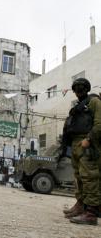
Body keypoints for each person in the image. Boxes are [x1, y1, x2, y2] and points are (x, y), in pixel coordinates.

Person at [62, 78, 101, 225]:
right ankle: (81, 205)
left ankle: (91, 213)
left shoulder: (95, 102)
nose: (78, 90)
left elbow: (99, 124)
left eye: (81, 87)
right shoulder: (78, 106)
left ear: (87, 88)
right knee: (79, 177)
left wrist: (89, 139)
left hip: (88, 144)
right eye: (76, 88)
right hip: (76, 144)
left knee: (89, 177)